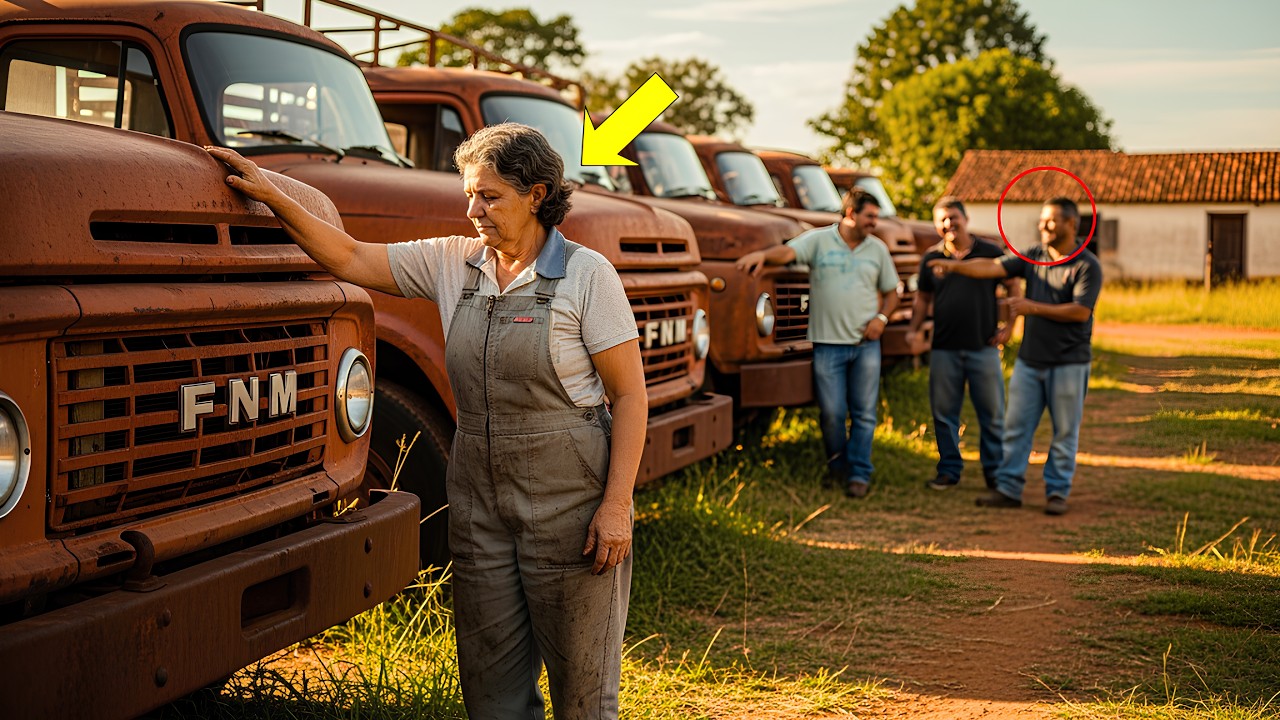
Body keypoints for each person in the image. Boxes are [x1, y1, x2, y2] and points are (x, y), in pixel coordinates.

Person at [206, 123, 646, 720]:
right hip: (479, 504)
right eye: (469, 194)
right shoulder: (452, 263)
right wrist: (271, 192)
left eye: (489, 197)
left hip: (571, 506)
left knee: (585, 691)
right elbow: (348, 255)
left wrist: (616, 506)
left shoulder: (588, 276)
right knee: (490, 691)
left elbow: (630, 396)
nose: (473, 210)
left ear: (537, 195)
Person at [928, 197, 1102, 516]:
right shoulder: (1032, 255)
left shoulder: (1087, 264)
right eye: (1041, 220)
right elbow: (993, 267)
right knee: (1016, 427)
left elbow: (1080, 312)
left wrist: (1030, 308)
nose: (1043, 225)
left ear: (1071, 224)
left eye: (1050, 220)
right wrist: (955, 266)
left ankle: (1057, 492)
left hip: (1069, 363)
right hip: (1029, 361)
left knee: (1064, 431)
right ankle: (1008, 488)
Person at [736, 188, 899, 499]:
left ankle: (859, 474)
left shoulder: (877, 250)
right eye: (870, 217)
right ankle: (837, 468)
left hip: (866, 345)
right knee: (832, 413)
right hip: (827, 345)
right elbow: (788, 253)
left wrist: (882, 319)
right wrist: (762, 255)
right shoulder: (820, 240)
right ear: (851, 214)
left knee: (864, 413)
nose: (875, 223)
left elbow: (892, 292)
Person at [908, 197, 1018, 491]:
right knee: (944, 414)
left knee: (992, 414)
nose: (948, 224)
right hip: (944, 347)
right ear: (936, 225)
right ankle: (948, 471)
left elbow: (1013, 286)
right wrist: (913, 330)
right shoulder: (931, 258)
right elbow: (923, 299)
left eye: (953, 217)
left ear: (966, 218)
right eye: (942, 220)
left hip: (983, 347)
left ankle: (994, 474)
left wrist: (1010, 326)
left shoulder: (990, 252)